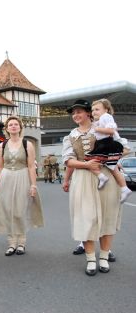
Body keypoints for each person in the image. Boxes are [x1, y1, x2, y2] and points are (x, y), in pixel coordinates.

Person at [62, 99, 122, 276]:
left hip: (106, 177)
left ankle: (103, 257)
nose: (76, 115)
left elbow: (119, 147)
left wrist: (114, 160)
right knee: (85, 218)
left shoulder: (102, 128)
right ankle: (90, 259)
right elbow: (68, 160)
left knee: (107, 217)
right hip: (83, 178)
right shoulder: (71, 136)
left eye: (79, 111)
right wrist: (86, 165)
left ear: (89, 112)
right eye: (73, 113)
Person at [0, 116, 44, 256]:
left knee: (20, 210)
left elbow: (31, 167)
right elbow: (0, 166)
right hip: (6, 178)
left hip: (22, 177)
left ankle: (21, 243)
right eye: (11, 124)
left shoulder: (27, 144)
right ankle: (11, 243)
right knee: (8, 210)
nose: (14, 126)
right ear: (7, 128)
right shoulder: (2, 145)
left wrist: (33, 185)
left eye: (16, 124)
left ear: (20, 127)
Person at [63, 160, 116, 262]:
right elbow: (72, 158)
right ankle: (84, 244)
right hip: (83, 176)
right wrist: (66, 179)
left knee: (104, 215)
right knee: (85, 215)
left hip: (104, 174)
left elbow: (123, 150)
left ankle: (105, 250)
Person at [85, 99, 132, 203]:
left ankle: (104, 178)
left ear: (106, 110)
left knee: (90, 161)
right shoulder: (99, 120)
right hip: (103, 143)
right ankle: (122, 187)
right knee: (111, 167)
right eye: (92, 110)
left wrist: (96, 129)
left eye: (97, 109)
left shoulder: (106, 117)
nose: (94, 112)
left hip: (107, 143)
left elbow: (111, 131)